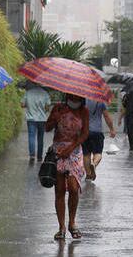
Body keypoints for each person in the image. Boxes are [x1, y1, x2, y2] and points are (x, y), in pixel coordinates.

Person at [46, 93, 89, 240]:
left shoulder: (84, 111)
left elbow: (84, 134)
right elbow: (47, 128)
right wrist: (55, 117)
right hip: (58, 151)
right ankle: (61, 227)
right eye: (72, 96)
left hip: (75, 151)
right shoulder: (58, 108)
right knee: (59, 190)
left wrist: (71, 148)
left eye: (78, 96)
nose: (75, 99)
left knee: (73, 188)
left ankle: (72, 223)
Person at [82, 98, 116, 181]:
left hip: (84, 131)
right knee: (98, 153)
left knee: (86, 154)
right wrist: (111, 129)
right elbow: (106, 116)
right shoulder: (100, 102)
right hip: (97, 132)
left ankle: (88, 175)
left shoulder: (82, 100)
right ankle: (94, 163)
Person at [21, 83, 51, 162]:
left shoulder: (28, 92)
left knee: (31, 137)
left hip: (31, 119)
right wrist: (43, 109)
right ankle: (39, 156)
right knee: (40, 138)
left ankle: (32, 156)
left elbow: (22, 104)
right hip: (42, 119)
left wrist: (29, 105)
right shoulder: (45, 93)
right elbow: (47, 107)